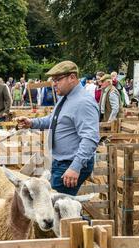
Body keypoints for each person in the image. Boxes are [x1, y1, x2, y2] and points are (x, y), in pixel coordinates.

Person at [16, 61, 100, 196]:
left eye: (57, 79)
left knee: (55, 208)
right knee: (59, 207)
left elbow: (90, 138)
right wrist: (31, 123)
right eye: (53, 80)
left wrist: (75, 167)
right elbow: (53, 119)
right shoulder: (66, 98)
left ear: (72, 77)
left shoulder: (83, 102)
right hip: (61, 162)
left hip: (70, 164)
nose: (53, 83)